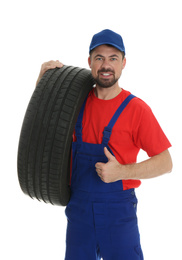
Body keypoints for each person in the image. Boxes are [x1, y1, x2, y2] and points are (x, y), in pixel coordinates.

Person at [36, 29, 172, 260]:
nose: (106, 65)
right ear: (89, 62)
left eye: (113, 58)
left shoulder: (137, 109)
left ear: (123, 63)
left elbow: (165, 163)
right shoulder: (74, 104)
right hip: (79, 213)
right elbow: (41, 129)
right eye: (99, 58)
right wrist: (44, 81)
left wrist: (122, 171)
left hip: (118, 215)